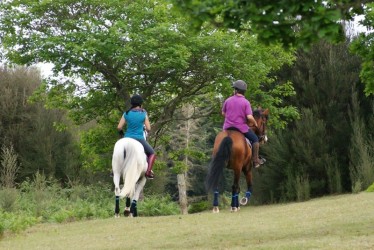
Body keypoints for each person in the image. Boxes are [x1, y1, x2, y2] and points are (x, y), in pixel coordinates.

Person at [222, 80, 265, 168]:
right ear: (243, 91)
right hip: (240, 128)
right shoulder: (245, 102)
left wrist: (230, 118)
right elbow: (249, 117)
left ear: (236, 90)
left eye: (234, 89)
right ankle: (255, 161)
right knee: (255, 139)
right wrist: (255, 123)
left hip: (227, 127)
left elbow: (223, 113)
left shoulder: (228, 100)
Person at [117, 94, 156, 179]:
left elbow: (119, 127)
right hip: (139, 138)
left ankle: (114, 170)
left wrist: (122, 133)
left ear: (132, 103)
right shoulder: (143, 114)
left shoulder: (126, 113)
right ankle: (148, 172)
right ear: (140, 104)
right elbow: (148, 128)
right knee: (152, 153)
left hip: (127, 138)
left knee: (119, 152)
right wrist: (144, 129)